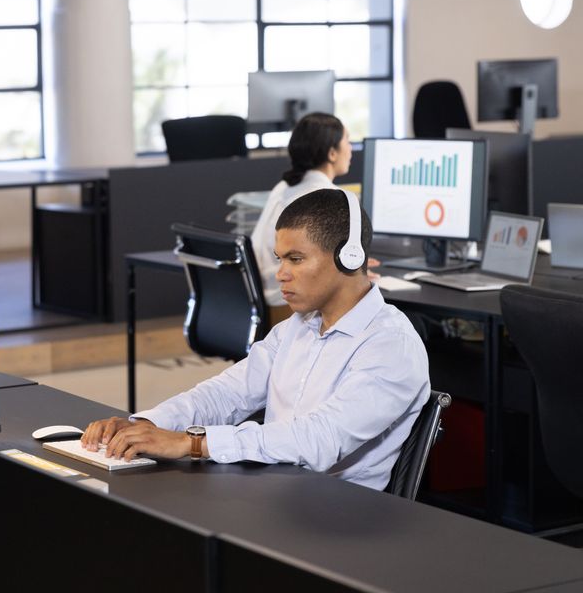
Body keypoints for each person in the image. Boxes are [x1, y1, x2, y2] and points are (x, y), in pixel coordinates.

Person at [81, 188, 430, 491]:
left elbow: (320, 441)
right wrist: (148, 425)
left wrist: (193, 443)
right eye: (280, 259)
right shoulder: (297, 327)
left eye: (295, 259)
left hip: (337, 516)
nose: (280, 274)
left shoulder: (391, 346)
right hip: (274, 492)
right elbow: (226, 393)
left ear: (348, 257)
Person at [250, 113, 352, 309]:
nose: (350, 149)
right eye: (347, 140)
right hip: (287, 302)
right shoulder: (328, 197)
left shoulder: (283, 187)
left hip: (264, 294)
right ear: (332, 153)